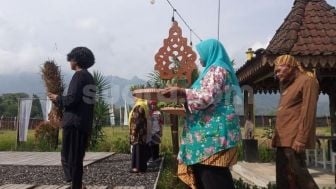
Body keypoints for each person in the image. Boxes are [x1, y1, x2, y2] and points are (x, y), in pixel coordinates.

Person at [161, 39, 242, 189]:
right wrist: (184, 98)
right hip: (209, 136)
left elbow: (206, 96)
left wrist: (181, 91)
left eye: (201, 54)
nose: (199, 58)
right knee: (207, 177)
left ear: (210, 52)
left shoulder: (217, 69)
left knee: (212, 178)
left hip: (212, 137)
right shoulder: (212, 71)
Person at [48, 47, 96, 189]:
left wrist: (58, 98)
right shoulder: (89, 77)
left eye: (71, 58)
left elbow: (72, 99)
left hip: (74, 122)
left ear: (76, 60)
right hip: (83, 122)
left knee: (70, 158)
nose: (70, 61)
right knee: (74, 157)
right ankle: (78, 184)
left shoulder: (79, 76)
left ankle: (77, 185)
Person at [272, 54, 319, 189]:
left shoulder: (307, 81)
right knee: (285, 179)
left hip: (294, 139)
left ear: (290, 67)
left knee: (302, 179)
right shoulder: (288, 85)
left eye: (279, 70)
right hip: (283, 140)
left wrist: (301, 138)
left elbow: (308, 112)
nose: (277, 74)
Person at [129, 98, 150, 173]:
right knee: (142, 149)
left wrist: (134, 131)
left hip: (137, 134)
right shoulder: (144, 105)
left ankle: (137, 167)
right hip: (142, 132)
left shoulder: (138, 106)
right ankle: (142, 167)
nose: (133, 99)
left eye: (135, 97)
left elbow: (136, 120)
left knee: (137, 150)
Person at [148, 100, 163, 164]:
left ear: (156, 105)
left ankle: (156, 157)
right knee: (150, 145)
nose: (153, 106)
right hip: (150, 131)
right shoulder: (148, 112)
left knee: (156, 144)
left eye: (154, 104)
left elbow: (160, 123)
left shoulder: (158, 113)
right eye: (151, 104)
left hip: (157, 130)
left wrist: (161, 131)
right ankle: (151, 157)